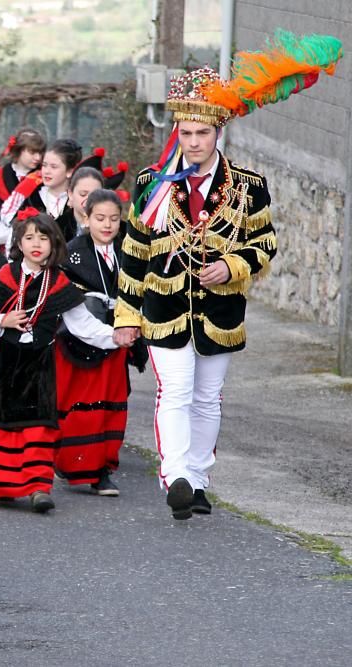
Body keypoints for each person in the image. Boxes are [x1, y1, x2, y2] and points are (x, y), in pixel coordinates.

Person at [113, 66, 284, 521]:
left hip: (221, 310)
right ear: (176, 132)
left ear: (217, 132)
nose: (193, 142)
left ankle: (199, 480)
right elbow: (133, 252)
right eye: (185, 132)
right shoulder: (152, 183)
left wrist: (231, 265)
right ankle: (176, 477)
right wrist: (126, 316)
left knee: (208, 397)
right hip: (163, 307)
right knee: (175, 392)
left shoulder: (249, 186)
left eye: (202, 133)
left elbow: (264, 243)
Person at [0, 210, 126, 512]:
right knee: (1, 425)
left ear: (54, 243)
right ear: (19, 243)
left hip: (41, 366)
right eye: (29, 237)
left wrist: (117, 336)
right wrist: (2, 320)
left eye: (43, 238)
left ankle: (38, 487)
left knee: (40, 427)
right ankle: (3, 486)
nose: (36, 244)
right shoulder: (5, 276)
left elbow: (83, 325)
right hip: (5, 364)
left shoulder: (59, 283)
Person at [55, 189, 146, 496]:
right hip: (80, 341)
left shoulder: (129, 252)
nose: (107, 225)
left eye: (114, 219)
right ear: (86, 217)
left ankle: (102, 469)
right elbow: (70, 303)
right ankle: (73, 462)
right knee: (81, 405)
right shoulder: (71, 253)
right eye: (100, 218)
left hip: (119, 339)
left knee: (111, 405)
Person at [0, 128, 47, 276]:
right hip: (2, 254)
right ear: (19, 150)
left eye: (40, 153)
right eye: (32, 152)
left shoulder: (46, 179)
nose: (38, 158)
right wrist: (16, 236)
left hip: (42, 253)